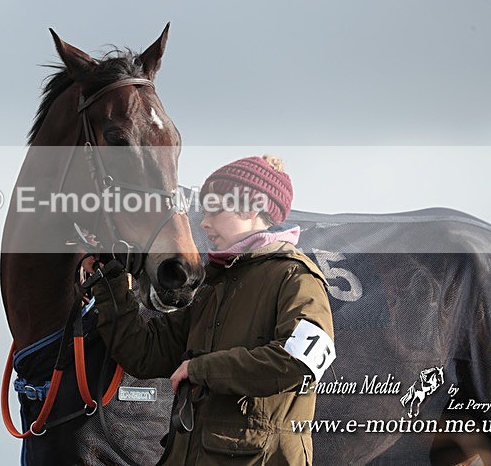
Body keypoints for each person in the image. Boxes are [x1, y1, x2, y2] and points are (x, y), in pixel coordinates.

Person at [92, 155, 335, 465]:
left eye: (215, 211)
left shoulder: (296, 278)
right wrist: (109, 279)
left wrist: (201, 369)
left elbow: (299, 362)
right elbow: (143, 352)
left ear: (249, 208)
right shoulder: (213, 286)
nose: (204, 223)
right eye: (204, 212)